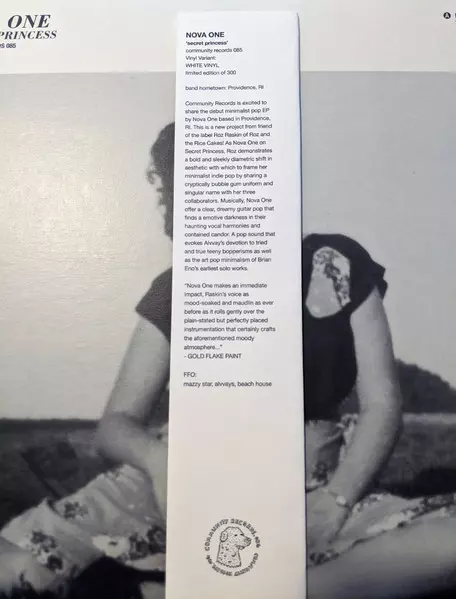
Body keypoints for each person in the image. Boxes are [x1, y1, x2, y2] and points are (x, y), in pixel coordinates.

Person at [2, 121, 456, 599]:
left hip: (307, 488)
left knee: (448, 543)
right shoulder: (174, 288)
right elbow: (116, 423)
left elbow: (382, 405)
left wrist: (337, 500)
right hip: (173, 485)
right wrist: (159, 462)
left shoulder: (334, 264)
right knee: (14, 569)